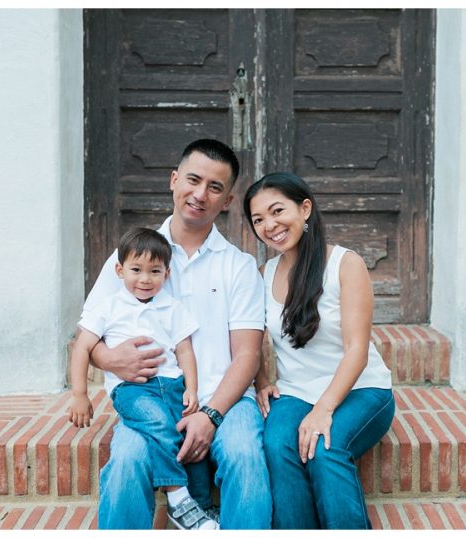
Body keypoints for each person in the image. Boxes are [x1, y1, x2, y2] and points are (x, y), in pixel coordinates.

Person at [84, 139, 271, 529]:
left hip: (227, 399)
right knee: (126, 462)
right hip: (154, 400)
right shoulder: (132, 257)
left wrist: (211, 414)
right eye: (193, 180)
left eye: (215, 187)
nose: (200, 194)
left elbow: (248, 357)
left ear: (228, 201)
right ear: (174, 181)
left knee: (245, 455)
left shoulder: (238, 266)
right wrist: (107, 358)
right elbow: (89, 333)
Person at [243, 171, 395, 529]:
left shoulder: (345, 264)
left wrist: (324, 409)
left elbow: (357, 350)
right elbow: (247, 336)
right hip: (296, 392)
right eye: (259, 220)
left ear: (305, 208)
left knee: (325, 449)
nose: (270, 225)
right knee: (278, 445)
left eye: (278, 211)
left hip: (361, 389)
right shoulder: (264, 273)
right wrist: (262, 379)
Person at [68, 226, 217, 530]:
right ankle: (177, 497)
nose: (145, 279)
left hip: (173, 387)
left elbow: (185, 351)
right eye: (136, 269)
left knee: (191, 440)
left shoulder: (172, 308)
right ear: (119, 270)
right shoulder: (108, 307)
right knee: (160, 425)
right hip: (133, 390)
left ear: (167, 274)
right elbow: (82, 347)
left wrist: (192, 389)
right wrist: (79, 394)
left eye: (155, 271)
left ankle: (200, 509)